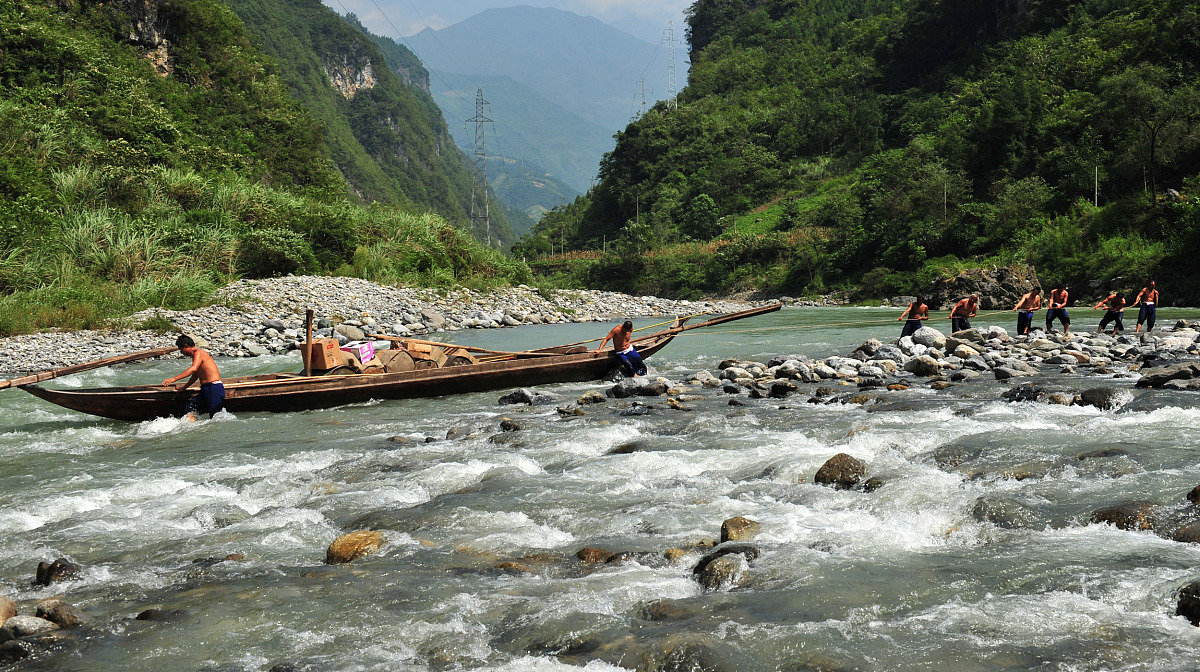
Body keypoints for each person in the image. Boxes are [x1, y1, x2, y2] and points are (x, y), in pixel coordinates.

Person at [162, 334, 224, 420]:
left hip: (214, 387)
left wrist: (174, 379)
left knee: (215, 416)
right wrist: (184, 387)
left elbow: (193, 369)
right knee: (190, 407)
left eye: (181, 350)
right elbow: (195, 375)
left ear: (186, 346)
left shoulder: (199, 353)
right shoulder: (195, 356)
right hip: (206, 389)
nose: (182, 353)